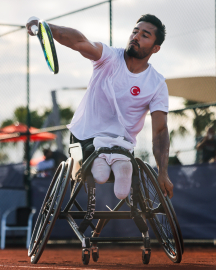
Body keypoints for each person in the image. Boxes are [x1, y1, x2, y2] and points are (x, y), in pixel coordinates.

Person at [27, 14, 173, 199]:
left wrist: (163, 172)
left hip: (121, 145)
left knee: (123, 182)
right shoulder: (109, 57)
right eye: (135, 32)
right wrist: (45, 28)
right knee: (101, 174)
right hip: (85, 137)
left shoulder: (157, 84)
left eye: (144, 35)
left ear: (156, 48)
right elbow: (79, 42)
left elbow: (160, 131)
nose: (136, 37)